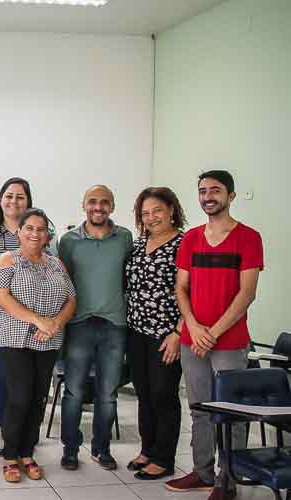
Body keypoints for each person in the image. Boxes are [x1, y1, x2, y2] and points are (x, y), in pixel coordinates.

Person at [165, 171, 263, 500]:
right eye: (203, 191)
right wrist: (192, 326)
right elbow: (181, 288)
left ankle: (228, 480)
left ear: (231, 196)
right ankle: (202, 471)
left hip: (230, 342)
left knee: (231, 413)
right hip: (194, 339)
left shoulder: (248, 238)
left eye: (216, 190)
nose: (208, 196)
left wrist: (214, 332)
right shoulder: (191, 239)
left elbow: (247, 293)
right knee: (200, 408)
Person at [0, 208, 76, 483]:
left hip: (48, 341)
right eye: (30, 228)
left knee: (37, 398)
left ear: (48, 234)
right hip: (13, 340)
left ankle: (27, 453)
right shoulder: (6, 260)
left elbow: (71, 298)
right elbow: (1, 298)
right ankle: (10, 455)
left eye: (41, 229)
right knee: (19, 397)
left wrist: (55, 323)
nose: (35, 233)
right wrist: (38, 320)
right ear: (20, 232)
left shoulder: (57, 263)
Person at [0, 177, 57, 458]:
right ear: (1, 200)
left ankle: (26, 442)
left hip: (40, 323)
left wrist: (48, 318)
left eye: (20, 197)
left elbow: (54, 271)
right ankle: (8, 435)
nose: (14, 201)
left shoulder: (42, 231)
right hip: (4, 318)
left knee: (34, 386)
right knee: (9, 381)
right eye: (9, 196)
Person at [58, 184, 133, 471]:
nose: (98, 207)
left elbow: (128, 279)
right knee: (74, 391)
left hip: (115, 325)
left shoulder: (125, 238)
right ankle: (70, 449)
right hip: (79, 324)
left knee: (108, 394)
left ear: (112, 206)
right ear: (83, 205)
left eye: (104, 202)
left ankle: (102, 449)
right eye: (92, 201)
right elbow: (63, 283)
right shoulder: (69, 241)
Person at [125, 187, 187, 480]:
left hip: (167, 334)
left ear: (171, 209)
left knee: (164, 394)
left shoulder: (184, 244)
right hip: (136, 331)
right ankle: (147, 449)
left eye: (157, 211)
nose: (151, 218)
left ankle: (164, 457)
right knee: (144, 394)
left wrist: (178, 332)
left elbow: (193, 294)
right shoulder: (138, 245)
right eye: (145, 213)